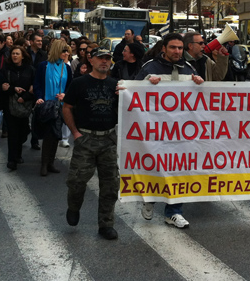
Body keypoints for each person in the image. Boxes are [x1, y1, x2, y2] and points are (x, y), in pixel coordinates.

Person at [134, 32, 204, 229]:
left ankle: (174, 212)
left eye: (180, 48)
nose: (177, 51)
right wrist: (146, 83)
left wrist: (199, 83)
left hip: (181, 131)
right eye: (173, 47)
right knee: (155, 166)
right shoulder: (149, 67)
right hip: (156, 130)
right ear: (164, 48)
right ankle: (150, 198)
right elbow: (132, 92)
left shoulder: (189, 68)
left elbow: (198, 99)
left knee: (179, 170)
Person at [62, 48, 120, 240]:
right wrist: (76, 133)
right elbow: (67, 107)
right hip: (86, 139)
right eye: (100, 58)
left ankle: (106, 224)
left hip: (108, 139)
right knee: (77, 181)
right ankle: (73, 206)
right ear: (91, 60)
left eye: (107, 59)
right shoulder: (79, 83)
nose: (104, 62)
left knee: (110, 185)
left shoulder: (115, 85)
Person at [34, 40, 73, 175]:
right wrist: (39, 97)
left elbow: (70, 86)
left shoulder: (67, 67)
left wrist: (65, 94)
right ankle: (45, 164)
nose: (67, 53)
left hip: (61, 105)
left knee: (56, 134)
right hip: (47, 105)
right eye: (64, 51)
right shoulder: (43, 66)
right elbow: (38, 84)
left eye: (67, 51)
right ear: (57, 50)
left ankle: (50, 163)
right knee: (49, 133)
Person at [1, 46, 36, 170]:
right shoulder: (6, 69)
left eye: (17, 53)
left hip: (25, 105)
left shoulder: (30, 70)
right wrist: (13, 89)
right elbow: (3, 86)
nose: (15, 56)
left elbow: (34, 87)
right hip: (10, 105)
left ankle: (18, 153)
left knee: (23, 131)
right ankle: (12, 159)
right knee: (13, 133)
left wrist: (25, 97)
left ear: (23, 56)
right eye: (13, 54)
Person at [27, 34, 48, 150]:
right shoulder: (25, 53)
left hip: (38, 87)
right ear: (31, 42)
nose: (40, 42)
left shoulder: (43, 55)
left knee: (36, 115)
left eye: (41, 41)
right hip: (26, 87)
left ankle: (34, 140)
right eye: (38, 41)